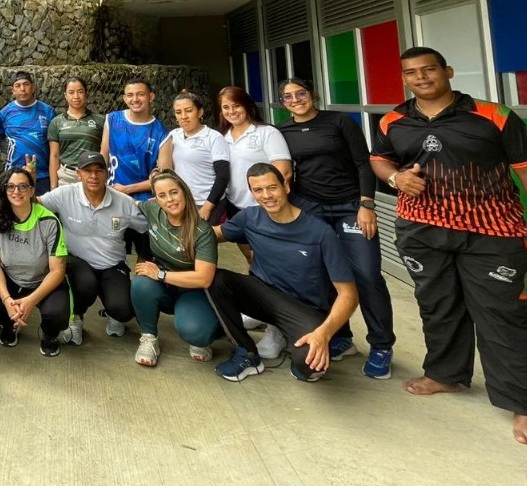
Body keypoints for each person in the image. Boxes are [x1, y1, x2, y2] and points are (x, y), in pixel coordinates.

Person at [371, 46, 527, 448]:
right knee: (437, 305)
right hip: (422, 231)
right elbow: (379, 160)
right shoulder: (394, 120)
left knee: (503, 315)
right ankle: (445, 375)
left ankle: (525, 405)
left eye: (428, 69)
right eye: (411, 72)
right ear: (404, 78)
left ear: (447, 71)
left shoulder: (493, 116)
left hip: (493, 232)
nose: (421, 77)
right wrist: (396, 179)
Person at [278, 77, 395, 379]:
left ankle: (381, 345)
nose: (295, 100)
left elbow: (363, 164)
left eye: (300, 93)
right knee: (327, 275)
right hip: (311, 208)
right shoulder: (281, 131)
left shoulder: (339, 122)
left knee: (367, 274)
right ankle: (342, 336)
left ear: (313, 94)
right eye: (287, 97)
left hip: (349, 206)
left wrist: (366, 204)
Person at [208, 163, 359, 383]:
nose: (266, 195)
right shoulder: (250, 217)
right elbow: (214, 234)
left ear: (286, 186)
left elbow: (349, 295)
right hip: (263, 295)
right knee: (216, 279)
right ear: (251, 193)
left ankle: (285, 335)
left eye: (272, 188)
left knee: (311, 367)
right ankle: (247, 353)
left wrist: (324, 332)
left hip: (303, 308)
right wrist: (176, 224)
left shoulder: (320, 232)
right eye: (258, 190)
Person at [40, 150, 146, 346]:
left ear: (107, 173)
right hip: (76, 261)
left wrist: (143, 260)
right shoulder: (64, 194)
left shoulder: (124, 202)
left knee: (124, 309)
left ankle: (113, 312)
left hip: (112, 264)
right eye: (87, 171)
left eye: (99, 170)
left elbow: (146, 229)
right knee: (85, 284)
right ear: (79, 174)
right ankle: (76, 318)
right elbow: (34, 204)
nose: (94, 176)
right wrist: (27, 185)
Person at [0, 168, 70, 355]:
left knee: (58, 314)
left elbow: (57, 271)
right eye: (10, 187)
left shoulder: (48, 221)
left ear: (32, 191)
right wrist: (7, 300)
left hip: (42, 280)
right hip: (11, 277)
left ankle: (49, 333)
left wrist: (30, 301)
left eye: (22, 186)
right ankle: (10, 323)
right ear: (3, 190)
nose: (16, 192)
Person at [129, 169, 220, 367]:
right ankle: (149, 337)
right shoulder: (153, 211)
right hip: (165, 288)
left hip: (194, 290)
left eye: (174, 192)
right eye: (162, 195)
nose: (169, 199)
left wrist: (160, 274)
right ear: (156, 199)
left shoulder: (202, 230)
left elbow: (203, 278)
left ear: (184, 192)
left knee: (196, 332)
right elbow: (127, 201)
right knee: (140, 282)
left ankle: (205, 332)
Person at [101, 77, 169, 258]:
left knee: (145, 254)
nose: (135, 99)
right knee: (112, 253)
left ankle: (141, 285)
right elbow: (103, 158)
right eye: (130, 95)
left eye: (140, 94)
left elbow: (164, 179)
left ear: (151, 97)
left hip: (144, 204)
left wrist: (127, 189)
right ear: (124, 98)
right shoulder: (112, 120)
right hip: (112, 198)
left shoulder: (161, 133)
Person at [217, 86, 292, 216]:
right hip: (233, 206)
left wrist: (268, 201)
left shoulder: (267, 132)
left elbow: (284, 172)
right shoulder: (222, 136)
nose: (232, 111)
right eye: (226, 107)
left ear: (247, 106)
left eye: (236, 106)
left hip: (264, 206)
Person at [156, 91, 230, 222]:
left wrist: (207, 207)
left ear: (200, 112)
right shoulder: (173, 136)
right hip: (183, 203)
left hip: (208, 202)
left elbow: (223, 177)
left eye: (188, 110)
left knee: (204, 241)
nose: (183, 116)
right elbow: (165, 166)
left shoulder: (213, 137)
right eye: (178, 112)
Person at [0, 71, 56, 194]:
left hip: (42, 176)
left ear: (33, 87)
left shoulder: (48, 112)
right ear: (13, 90)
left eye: (26, 84)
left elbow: (55, 145)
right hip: (14, 175)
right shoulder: (5, 113)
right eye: (18, 85)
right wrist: (11, 150)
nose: (22, 89)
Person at [47, 77, 102, 188]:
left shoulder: (100, 120)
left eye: (80, 92)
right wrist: (53, 186)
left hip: (92, 176)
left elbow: (105, 151)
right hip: (66, 176)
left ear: (86, 94)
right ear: (65, 95)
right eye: (71, 92)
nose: (76, 96)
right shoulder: (56, 122)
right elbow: (54, 155)